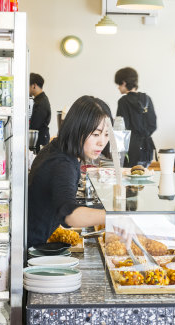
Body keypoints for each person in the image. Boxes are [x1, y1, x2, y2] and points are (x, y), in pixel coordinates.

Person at [27, 96, 109, 248]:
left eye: (106, 134)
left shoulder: (58, 148)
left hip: (34, 240)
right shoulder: (62, 163)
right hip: (32, 249)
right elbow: (70, 215)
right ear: (77, 129)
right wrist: (116, 219)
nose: (102, 142)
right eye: (96, 134)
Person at [115, 67, 157, 168]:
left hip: (130, 150)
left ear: (124, 83)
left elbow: (121, 129)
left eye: (119, 84)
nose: (118, 87)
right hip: (147, 149)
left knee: (129, 180)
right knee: (142, 178)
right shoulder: (147, 99)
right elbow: (153, 125)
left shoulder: (123, 102)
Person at [29, 73, 52, 149]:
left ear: (34, 86)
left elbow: (35, 124)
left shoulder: (41, 102)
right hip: (39, 137)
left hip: (40, 139)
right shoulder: (38, 100)